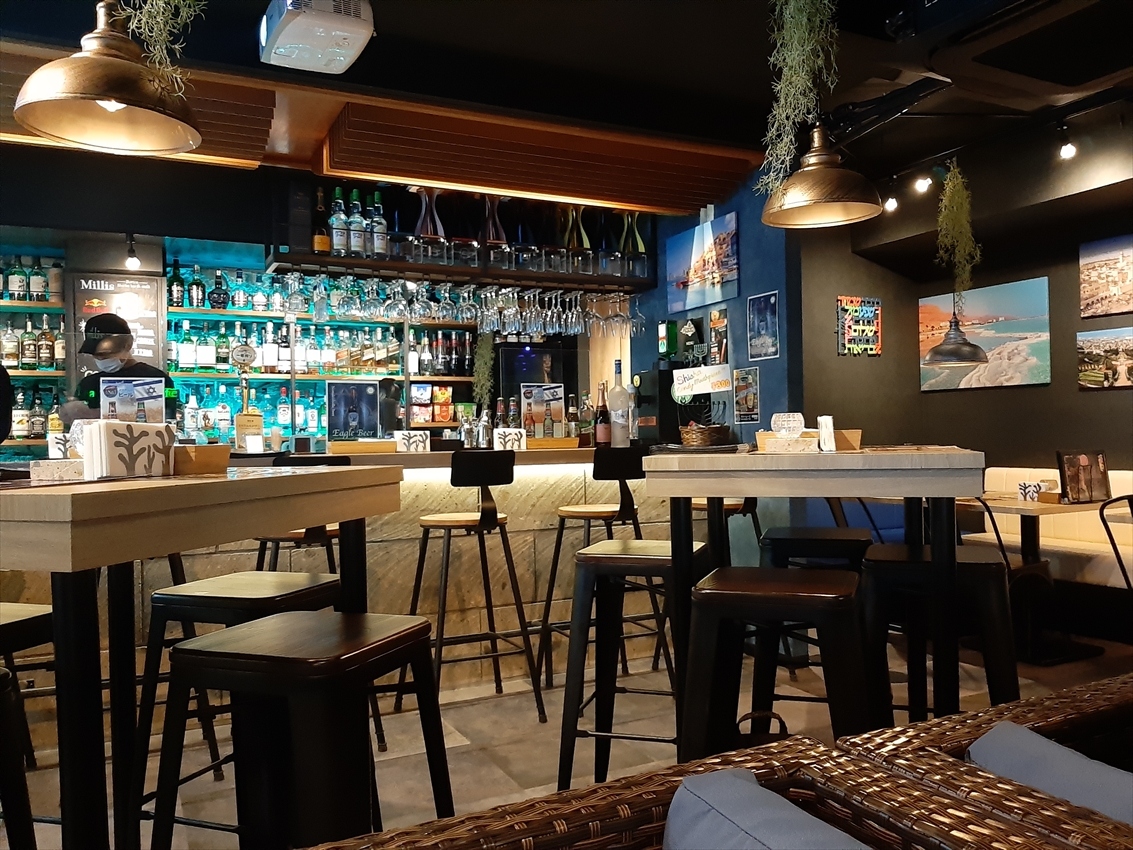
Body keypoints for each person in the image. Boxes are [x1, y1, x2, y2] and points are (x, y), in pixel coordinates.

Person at [63, 313, 176, 424]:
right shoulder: (88, 384)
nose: (100, 359)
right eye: (95, 354)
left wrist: (93, 414)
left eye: (105, 354)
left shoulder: (157, 379)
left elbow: (167, 422)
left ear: (128, 344)